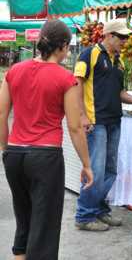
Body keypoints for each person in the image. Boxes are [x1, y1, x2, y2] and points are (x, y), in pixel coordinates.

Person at [0, 20, 94, 260]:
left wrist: (5, 149)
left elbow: (1, 115)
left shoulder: (14, 71)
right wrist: (86, 164)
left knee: (25, 224)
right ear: (62, 46)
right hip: (45, 157)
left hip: (15, 155)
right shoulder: (65, 78)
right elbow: (75, 127)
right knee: (44, 229)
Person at [74, 19, 132, 231]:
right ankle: (84, 215)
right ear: (109, 35)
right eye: (121, 37)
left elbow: (119, 93)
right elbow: (77, 83)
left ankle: (99, 209)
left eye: (125, 37)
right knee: (96, 169)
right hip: (96, 123)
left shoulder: (118, 62)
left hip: (114, 121)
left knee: (110, 170)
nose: (124, 41)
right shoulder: (89, 54)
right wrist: (82, 115)